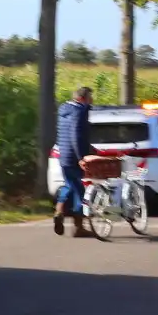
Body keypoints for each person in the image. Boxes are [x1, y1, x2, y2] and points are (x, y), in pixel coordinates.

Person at [54, 87, 95, 238]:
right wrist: (81, 157)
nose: (92, 100)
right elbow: (75, 135)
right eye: (90, 97)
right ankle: (79, 228)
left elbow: (64, 133)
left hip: (64, 155)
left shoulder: (64, 109)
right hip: (74, 157)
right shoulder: (79, 112)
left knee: (69, 185)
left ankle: (59, 210)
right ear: (82, 98)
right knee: (80, 191)